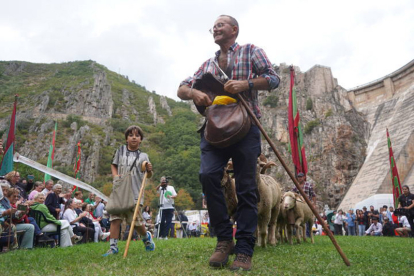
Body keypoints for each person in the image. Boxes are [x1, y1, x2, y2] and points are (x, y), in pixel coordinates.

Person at [177, 15, 279, 271]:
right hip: (214, 130)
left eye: (221, 24)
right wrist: (194, 93)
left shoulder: (251, 51)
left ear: (234, 29)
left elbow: (273, 79)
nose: (216, 28)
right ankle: (224, 240)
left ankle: (244, 249)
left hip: (247, 126)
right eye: (213, 26)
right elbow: (182, 88)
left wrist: (246, 83)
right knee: (208, 175)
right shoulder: (208, 64)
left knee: (246, 188)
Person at [103, 125, 155, 256]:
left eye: (137, 136)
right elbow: (113, 165)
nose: (134, 138)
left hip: (135, 192)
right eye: (131, 135)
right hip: (120, 191)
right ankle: (113, 247)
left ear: (141, 139)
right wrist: (115, 176)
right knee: (115, 218)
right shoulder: (120, 151)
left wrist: (149, 170)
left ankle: (146, 238)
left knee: (135, 222)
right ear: (126, 138)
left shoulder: (144, 156)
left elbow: (148, 175)